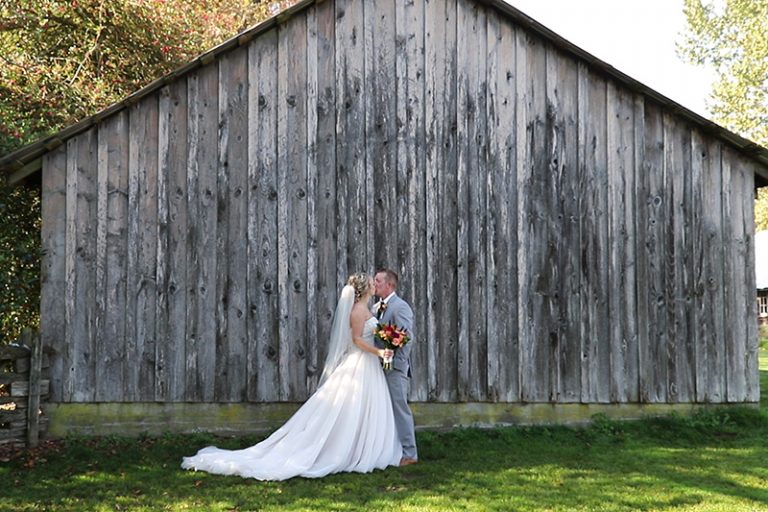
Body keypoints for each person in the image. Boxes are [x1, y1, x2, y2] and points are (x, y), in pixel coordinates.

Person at [181, 273, 402, 480]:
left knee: (363, 408)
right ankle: (342, 449)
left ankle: (360, 445)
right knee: (348, 408)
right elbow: (357, 340)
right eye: (373, 282)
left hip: (369, 365)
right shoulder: (356, 311)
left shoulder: (368, 309)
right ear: (364, 289)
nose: (375, 284)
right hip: (360, 362)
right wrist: (379, 352)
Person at [372, 268, 418, 466]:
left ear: (389, 285)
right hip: (377, 366)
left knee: (400, 409)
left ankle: (410, 453)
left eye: (378, 281)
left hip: (394, 367)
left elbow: (405, 338)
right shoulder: (375, 308)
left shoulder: (400, 307)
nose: (374, 284)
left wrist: (396, 362)